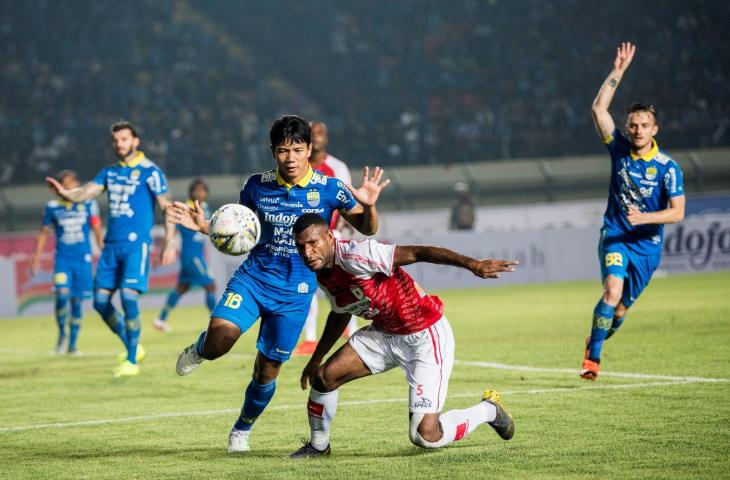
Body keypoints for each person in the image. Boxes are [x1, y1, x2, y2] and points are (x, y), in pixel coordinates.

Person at [169, 115, 390, 453]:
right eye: (283, 151)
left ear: (309, 149)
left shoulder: (330, 188)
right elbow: (238, 229)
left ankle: (241, 429)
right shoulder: (255, 186)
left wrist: (370, 206)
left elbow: (368, 228)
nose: (290, 159)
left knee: (267, 370)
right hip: (253, 280)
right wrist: (206, 226)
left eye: (297, 150)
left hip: (295, 294)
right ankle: (200, 350)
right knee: (220, 340)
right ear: (273, 151)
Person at [289, 213, 518, 458]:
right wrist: (316, 359)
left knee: (425, 435)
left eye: (313, 243)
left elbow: (419, 252)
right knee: (324, 377)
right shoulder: (323, 273)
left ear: (329, 236)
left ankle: (487, 411)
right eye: (301, 246)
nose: (308, 252)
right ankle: (318, 447)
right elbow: (340, 312)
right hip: (384, 334)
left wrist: (473, 264)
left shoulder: (359, 254)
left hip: (424, 335)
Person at [582, 42, 685, 380]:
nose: (636, 130)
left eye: (643, 125)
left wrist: (646, 218)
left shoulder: (668, 168)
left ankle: (596, 339)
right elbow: (598, 109)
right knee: (611, 291)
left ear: (654, 130)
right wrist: (619, 71)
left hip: (648, 246)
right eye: (632, 125)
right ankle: (592, 360)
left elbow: (677, 213)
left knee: (621, 309)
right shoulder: (619, 150)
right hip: (615, 235)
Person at [46, 120, 176, 378]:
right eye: (116, 141)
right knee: (100, 302)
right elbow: (86, 192)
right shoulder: (109, 172)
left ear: (135, 141)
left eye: (125, 139)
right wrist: (66, 193)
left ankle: (131, 362)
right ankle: (133, 346)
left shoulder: (151, 171)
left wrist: (169, 242)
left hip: (135, 245)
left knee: (128, 296)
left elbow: (167, 208)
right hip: (110, 247)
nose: (120, 145)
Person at [296, 120, 358, 357]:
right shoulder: (299, 167)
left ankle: (351, 332)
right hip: (307, 240)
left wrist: (345, 226)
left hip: (333, 237)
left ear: (326, 138)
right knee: (308, 288)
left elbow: (347, 199)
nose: (317, 137)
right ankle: (310, 340)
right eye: (313, 134)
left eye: (321, 133)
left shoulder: (337, 167)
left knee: (343, 284)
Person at [31, 170, 104, 354]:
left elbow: (96, 228)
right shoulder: (53, 207)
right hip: (63, 259)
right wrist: (36, 258)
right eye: (67, 183)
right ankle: (62, 333)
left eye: (74, 182)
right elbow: (43, 233)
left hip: (83, 259)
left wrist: (103, 250)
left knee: (77, 302)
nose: (72, 185)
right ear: (61, 187)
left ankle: (73, 344)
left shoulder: (89, 204)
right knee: (62, 295)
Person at [154, 179, 216, 332]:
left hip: (194, 255)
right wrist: (167, 244)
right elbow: (172, 225)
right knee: (210, 285)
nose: (200, 193)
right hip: (192, 256)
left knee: (182, 287)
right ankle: (217, 322)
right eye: (196, 190)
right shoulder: (186, 209)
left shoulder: (205, 208)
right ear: (191, 192)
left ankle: (161, 319)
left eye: (203, 190)